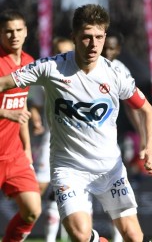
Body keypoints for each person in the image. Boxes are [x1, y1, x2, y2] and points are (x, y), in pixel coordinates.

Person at [0, 4, 152, 241]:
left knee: (133, 236)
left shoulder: (115, 73)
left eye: (99, 37)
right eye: (86, 37)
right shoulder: (51, 67)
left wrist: (150, 147)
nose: (94, 44)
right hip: (69, 169)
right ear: (74, 37)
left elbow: (147, 110)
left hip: (109, 168)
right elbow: (3, 83)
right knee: (80, 235)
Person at [0, 9, 42, 240]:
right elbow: (13, 111)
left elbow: (22, 107)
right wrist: (6, 112)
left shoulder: (29, 63)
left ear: (25, 32)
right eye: (8, 31)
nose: (13, 35)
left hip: (15, 155)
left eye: (18, 30)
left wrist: (26, 148)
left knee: (32, 211)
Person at [28, 36, 74, 242]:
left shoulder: (85, 74)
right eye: (59, 52)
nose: (62, 56)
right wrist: (36, 118)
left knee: (69, 192)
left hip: (77, 142)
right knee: (39, 186)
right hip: (51, 139)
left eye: (66, 52)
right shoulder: (47, 73)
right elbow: (35, 103)